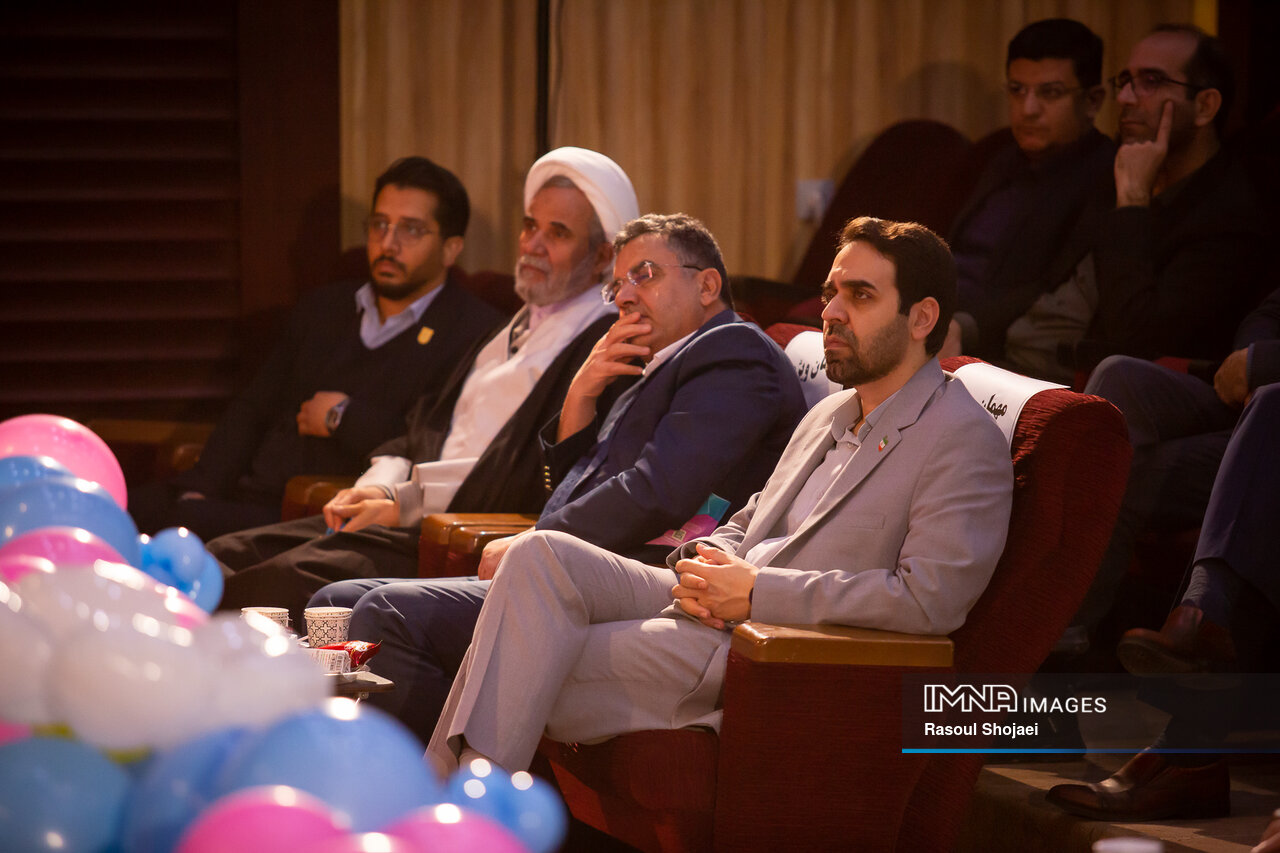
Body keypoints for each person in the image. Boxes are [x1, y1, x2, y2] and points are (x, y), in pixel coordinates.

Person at [423, 216, 1014, 774]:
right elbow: (752, 515)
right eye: (830, 293)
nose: (830, 313)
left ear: (921, 318)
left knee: (518, 654)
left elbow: (928, 601)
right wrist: (708, 565)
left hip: (764, 647)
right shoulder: (832, 411)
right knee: (538, 554)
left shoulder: (961, 439)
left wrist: (756, 593)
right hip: (706, 599)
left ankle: (459, 815)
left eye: (859, 296)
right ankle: (463, 813)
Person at [310, 213, 809, 743]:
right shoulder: (655, 361)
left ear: (707, 285)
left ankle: (443, 783)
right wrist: (581, 394)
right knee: (333, 605)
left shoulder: (733, 354)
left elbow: (657, 491)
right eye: (618, 284)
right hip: (568, 566)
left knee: (383, 615)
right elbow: (576, 486)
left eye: (644, 275)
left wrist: (536, 541)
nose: (625, 296)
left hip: (633, 578)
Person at [208, 147, 639, 627]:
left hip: (455, 534)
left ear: (604, 256)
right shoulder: (511, 326)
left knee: (273, 583)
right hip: (405, 513)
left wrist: (407, 501)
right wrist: (379, 484)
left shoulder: (602, 348)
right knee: (223, 555)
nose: (532, 245)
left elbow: (531, 477)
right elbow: (425, 426)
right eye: (529, 226)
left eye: (557, 233)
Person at [128, 157, 505, 541]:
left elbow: (431, 444)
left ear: (450, 249)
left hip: (314, 512)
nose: (388, 243)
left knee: (176, 528)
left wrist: (344, 417)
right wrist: (201, 486)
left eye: (410, 230)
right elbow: (254, 407)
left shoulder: (472, 334)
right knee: (123, 510)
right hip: (246, 492)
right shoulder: (324, 308)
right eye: (380, 224)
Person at [968, 24, 1268, 384]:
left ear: (1205, 106)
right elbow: (1043, 283)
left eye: (1151, 82)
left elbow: (1136, 342)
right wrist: (967, 326)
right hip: (1017, 361)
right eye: (1125, 81)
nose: (1125, 97)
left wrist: (1132, 203)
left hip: (1097, 388)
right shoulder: (1121, 169)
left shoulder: (1227, 216)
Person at [1047, 382, 1280, 821]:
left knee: (1272, 409)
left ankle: (1186, 754)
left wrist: (1257, 360)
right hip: (1233, 399)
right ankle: (1053, 674)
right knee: (1119, 383)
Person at [1069, 286, 1280, 640]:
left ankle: (1068, 628)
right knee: (1119, 374)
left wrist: (1262, 363)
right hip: (1246, 398)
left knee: (1122, 473)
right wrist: (1247, 360)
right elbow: (1269, 314)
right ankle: (1054, 607)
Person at [944, 18, 1113, 366]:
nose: (1028, 109)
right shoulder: (1003, 157)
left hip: (995, 346)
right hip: (939, 313)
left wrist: (965, 324)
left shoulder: (1107, 174)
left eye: (1050, 93)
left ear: (1093, 101)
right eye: (1017, 90)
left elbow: (1049, 288)